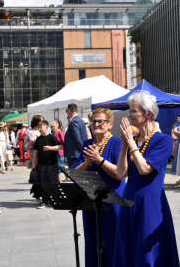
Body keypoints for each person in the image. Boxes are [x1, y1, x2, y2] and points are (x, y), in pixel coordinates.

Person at [114, 91, 180, 267]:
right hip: (129, 199)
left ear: (148, 113)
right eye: (130, 110)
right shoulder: (133, 140)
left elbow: (144, 169)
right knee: (128, 247)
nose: (129, 114)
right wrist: (123, 145)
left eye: (134, 111)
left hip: (150, 202)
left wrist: (131, 142)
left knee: (147, 251)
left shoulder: (162, 140)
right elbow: (120, 174)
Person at [74, 108, 125, 267]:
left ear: (109, 124)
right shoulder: (88, 143)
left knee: (112, 238)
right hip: (90, 199)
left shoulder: (117, 142)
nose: (96, 124)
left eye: (100, 121)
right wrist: (87, 162)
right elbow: (74, 173)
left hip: (112, 199)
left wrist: (98, 159)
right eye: (93, 121)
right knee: (92, 238)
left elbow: (119, 173)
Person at [32, 120, 63, 209]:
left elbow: (60, 146)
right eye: (39, 128)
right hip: (41, 164)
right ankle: (45, 201)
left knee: (53, 182)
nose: (39, 129)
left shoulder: (52, 137)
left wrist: (50, 148)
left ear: (46, 127)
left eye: (40, 127)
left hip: (52, 165)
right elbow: (35, 151)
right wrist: (34, 163)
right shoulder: (38, 139)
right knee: (43, 183)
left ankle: (56, 200)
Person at [24, 114, 44, 206]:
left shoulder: (44, 131)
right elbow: (25, 147)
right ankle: (37, 197)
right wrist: (31, 142)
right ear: (36, 122)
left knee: (45, 178)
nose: (42, 122)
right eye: (41, 120)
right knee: (37, 179)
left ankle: (46, 197)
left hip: (46, 158)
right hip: (36, 159)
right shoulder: (29, 133)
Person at [64, 103, 87, 169]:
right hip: (77, 153)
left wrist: (82, 150)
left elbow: (77, 138)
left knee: (74, 174)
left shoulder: (74, 121)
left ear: (69, 110)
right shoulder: (80, 120)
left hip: (74, 154)